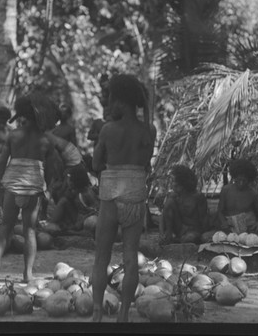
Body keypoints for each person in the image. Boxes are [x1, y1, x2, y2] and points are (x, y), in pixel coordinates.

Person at [91, 74, 155, 322]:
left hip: (111, 195)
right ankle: (124, 314)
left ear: (120, 101)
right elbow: (145, 163)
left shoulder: (108, 130)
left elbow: (96, 163)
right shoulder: (149, 129)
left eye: (112, 99)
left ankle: (97, 313)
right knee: (131, 256)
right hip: (136, 194)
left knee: (102, 256)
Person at [0, 92, 55, 283]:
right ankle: (28, 273)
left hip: (13, 183)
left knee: (5, 227)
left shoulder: (13, 136)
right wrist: (46, 188)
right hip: (33, 185)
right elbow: (50, 169)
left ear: (23, 115)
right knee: (29, 230)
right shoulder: (45, 140)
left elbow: (1, 163)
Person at [159, 165, 208, 245]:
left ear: (181, 185)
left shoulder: (198, 197)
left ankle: (180, 239)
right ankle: (169, 235)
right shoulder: (173, 196)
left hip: (193, 230)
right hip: (179, 229)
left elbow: (204, 220)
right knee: (169, 202)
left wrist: (202, 235)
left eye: (173, 181)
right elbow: (163, 215)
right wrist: (162, 233)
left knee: (189, 238)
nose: (171, 184)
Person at [217, 159, 258, 234]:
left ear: (249, 180)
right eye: (238, 180)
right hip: (229, 228)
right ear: (234, 177)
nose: (241, 183)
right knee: (206, 237)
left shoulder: (253, 194)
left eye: (244, 181)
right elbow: (220, 211)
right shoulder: (226, 190)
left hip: (248, 228)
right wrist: (224, 223)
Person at [48, 166, 98, 232]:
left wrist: (80, 222)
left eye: (69, 178)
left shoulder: (86, 194)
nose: (67, 180)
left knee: (63, 202)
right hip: (79, 218)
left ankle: (51, 225)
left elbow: (95, 211)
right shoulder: (76, 191)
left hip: (84, 221)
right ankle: (51, 224)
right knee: (64, 201)